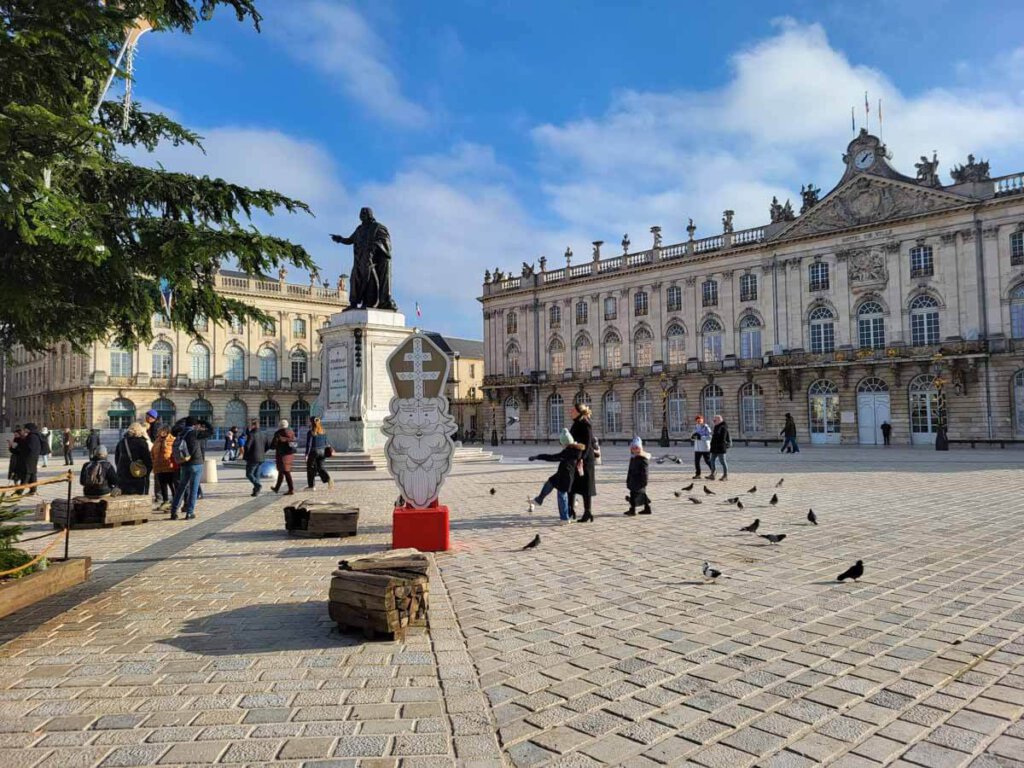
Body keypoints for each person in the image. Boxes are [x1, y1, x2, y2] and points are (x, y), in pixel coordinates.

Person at [528, 428, 583, 523]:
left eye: (561, 443)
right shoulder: (573, 450)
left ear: (565, 443)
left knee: (562, 496)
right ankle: (539, 500)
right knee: (550, 482)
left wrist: (538, 457)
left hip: (565, 477)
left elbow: (553, 457)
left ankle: (565, 518)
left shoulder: (568, 452)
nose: (561, 445)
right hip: (562, 475)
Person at [168, 416, 206, 520]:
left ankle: (174, 511)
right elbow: (210, 430)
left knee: (181, 487)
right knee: (194, 489)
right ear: (195, 424)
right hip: (196, 463)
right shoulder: (194, 433)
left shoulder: (181, 433)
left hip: (184, 463)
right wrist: (202, 422)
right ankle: (189, 512)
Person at [568, 403, 597, 523]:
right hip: (575, 456)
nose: (571, 412)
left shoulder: (585, 423)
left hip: (585, 459)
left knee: (586, 487)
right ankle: (570, 509)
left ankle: (588, 512)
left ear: (578, 412)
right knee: (572, 485)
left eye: (573, 410)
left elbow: (588, 443)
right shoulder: (576, 422)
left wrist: (582, 459)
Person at [115, 422, 153, 496]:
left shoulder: (122, 442)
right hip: (137, 475)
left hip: (123, 475)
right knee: (138, 497)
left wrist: (120, 469)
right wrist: (146, 472)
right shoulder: (142, 443)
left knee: (124, 497)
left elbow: (117, 458)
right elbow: (148, 460)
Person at [150, 425, 178, 509]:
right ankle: (165, 501)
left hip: (169, 466)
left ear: (168, 432)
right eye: (160, 431)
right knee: (162, 485)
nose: (162, 432)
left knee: (171, 484)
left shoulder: (172, 440)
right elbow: (152, 452)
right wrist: (154, 461)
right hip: (159, 467)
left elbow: (175, 453)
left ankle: (175, 500)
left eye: (164, 431)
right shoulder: (157, 440)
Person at [625, 437, 652, 516]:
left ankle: (632, 510)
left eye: (636, 448)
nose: (635, 450)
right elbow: (630, 470)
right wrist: (628, 479)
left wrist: (644, 482)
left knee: (634, 495)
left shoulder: (643, 459)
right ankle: (647, 508)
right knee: (642, 495)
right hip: (633, 480)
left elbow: (645, 472)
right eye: (633, 448)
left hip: (639, 480)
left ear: (640, 448)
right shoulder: (633, 458)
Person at [305, 417, 333, 490]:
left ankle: (311, 486)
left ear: (311, 422)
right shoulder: (323, 431)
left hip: (314, 452)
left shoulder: (311, 432)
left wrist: (306, 454)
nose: (308, 422)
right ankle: (328, 479)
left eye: (309, 421)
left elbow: (309, 444)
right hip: (322, 452)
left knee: (310, 469)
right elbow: (326, 442)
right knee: (320, 468)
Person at [270, 419, 297, 495]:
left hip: (282, 455)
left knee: (286, 472)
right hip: (290, 455)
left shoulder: (278, 433)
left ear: (280, 425)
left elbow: (273, 445)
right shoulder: (291, 432)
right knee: (282, 472)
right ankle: (277, 488)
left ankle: (291, 489)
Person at [19, 423, 44, 494]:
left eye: (25, 428)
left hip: (29, 458)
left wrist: (23, 441)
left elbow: (29, 448)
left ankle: (18, 492)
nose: (24, 430)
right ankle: (33, 490)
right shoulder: (35, 435)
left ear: (29, 428)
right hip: (33, 458)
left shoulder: (32, 436)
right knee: (32, 474)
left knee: (26, 474)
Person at [243, 419, 265, 496]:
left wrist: (246, 455)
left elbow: (247, 446)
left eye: (251, 424)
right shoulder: (263, 434)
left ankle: (258, 485)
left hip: (253, 458)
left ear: (254, 425)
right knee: (257, 475)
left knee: (249, 474)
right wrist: (262, 452)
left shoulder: (252, 434)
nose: (249, 426)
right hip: (261, 457)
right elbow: (267, 444)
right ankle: (256, 491)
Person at [709, 414, 732, 481]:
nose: (713, 421)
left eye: (714, 420)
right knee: (712, 460)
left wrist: (718, 443)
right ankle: (713, 474)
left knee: (723, 462)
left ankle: (725, 476)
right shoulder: (717, 426)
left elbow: (723, 438)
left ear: (719, 420)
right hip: (714, 447)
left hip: (720, 447)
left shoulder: (723, 427)